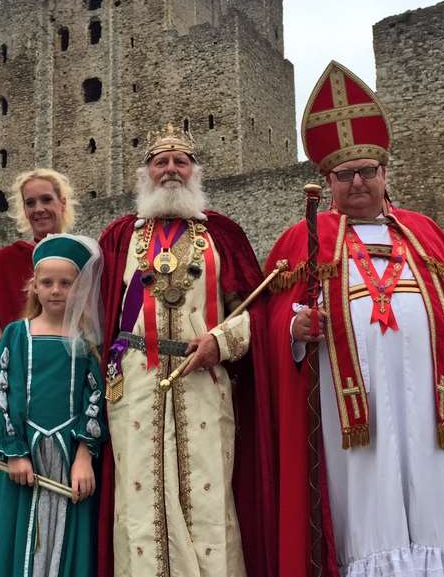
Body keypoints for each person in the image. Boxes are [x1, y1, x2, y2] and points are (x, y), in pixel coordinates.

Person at [266, 61, 444, 577]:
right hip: (348, 413)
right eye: (344, 175)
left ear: (385, 174)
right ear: (326, 180)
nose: (356, 182)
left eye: (367, 172)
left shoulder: (426, 234)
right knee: (364, 501)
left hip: (433, 404)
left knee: (436, 498)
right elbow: (271, 318)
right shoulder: (303, 238)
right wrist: (293, 331)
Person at [96, 124, 276, 577]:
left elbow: (260, 313)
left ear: (195, 171)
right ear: (146, 174)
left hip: (205, 382)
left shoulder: (223, 235)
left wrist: (222, 341)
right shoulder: (119, 237)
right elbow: (96, 317)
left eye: (181, 162)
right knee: (140, 502)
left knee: (209, 498)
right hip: (134, 384)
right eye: (161, 162)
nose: (171, 170)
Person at [0, 169, 78, 542]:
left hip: (72, 401)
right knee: (13, 517)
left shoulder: (86, 259)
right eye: (30, 202)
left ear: (63, 204)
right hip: (20, 403)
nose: (39, 209)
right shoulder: (9, 260)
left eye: (46, 200)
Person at [0, 233, 107, 577]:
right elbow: (0, 395)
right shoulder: (17, 334)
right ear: (33, 286)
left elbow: (94, 398)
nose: (55, 290)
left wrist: (83, 456)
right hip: (26, 459)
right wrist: (15, 452)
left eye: (66, 283)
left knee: (65, 538)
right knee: (21, 538)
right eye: (47, 282)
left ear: (79, 289)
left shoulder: (85, 342)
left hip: (68, 458)